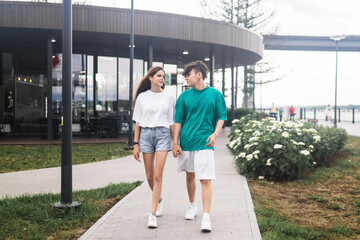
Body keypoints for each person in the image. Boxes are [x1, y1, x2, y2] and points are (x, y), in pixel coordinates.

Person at [172, 61, 227, 232]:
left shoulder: (215, 94)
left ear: (199, 75)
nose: (186, 78)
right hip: (187, 142)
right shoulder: (184, 97)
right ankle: (191, 205)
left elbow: (221, 116)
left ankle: (206, 217)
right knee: (190, 175)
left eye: (188, 75)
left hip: (205, 141)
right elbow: (178, 121)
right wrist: (175, 143)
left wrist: (215, 134)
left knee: (205, 178)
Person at [132, 66, 176, 228]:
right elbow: (137, 123)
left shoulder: (169, 98)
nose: (162, 79)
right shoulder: (142, 98)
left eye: (163, 76)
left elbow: (172, 122)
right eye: (159, 76)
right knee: (149, 176)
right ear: (150, 78)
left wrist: (176, 142)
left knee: (158, 175)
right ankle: (159, 199)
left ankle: (152, 213)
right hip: (146, 136)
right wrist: (135, 144)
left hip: (163, 135)